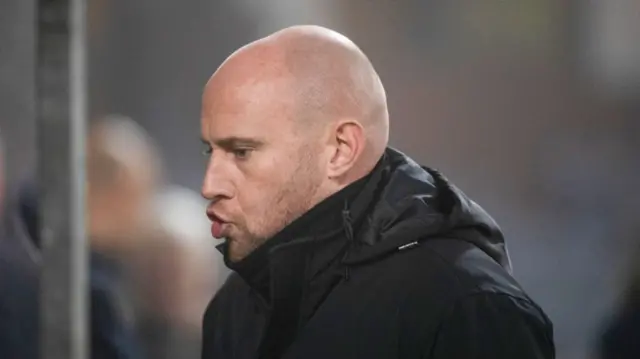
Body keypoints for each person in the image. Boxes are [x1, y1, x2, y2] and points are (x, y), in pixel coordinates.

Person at [199, 25, 555, 359]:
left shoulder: (465, 307)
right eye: (210, 151)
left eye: (241, 151)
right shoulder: (233, 308)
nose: (209, 184)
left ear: (340, 149)